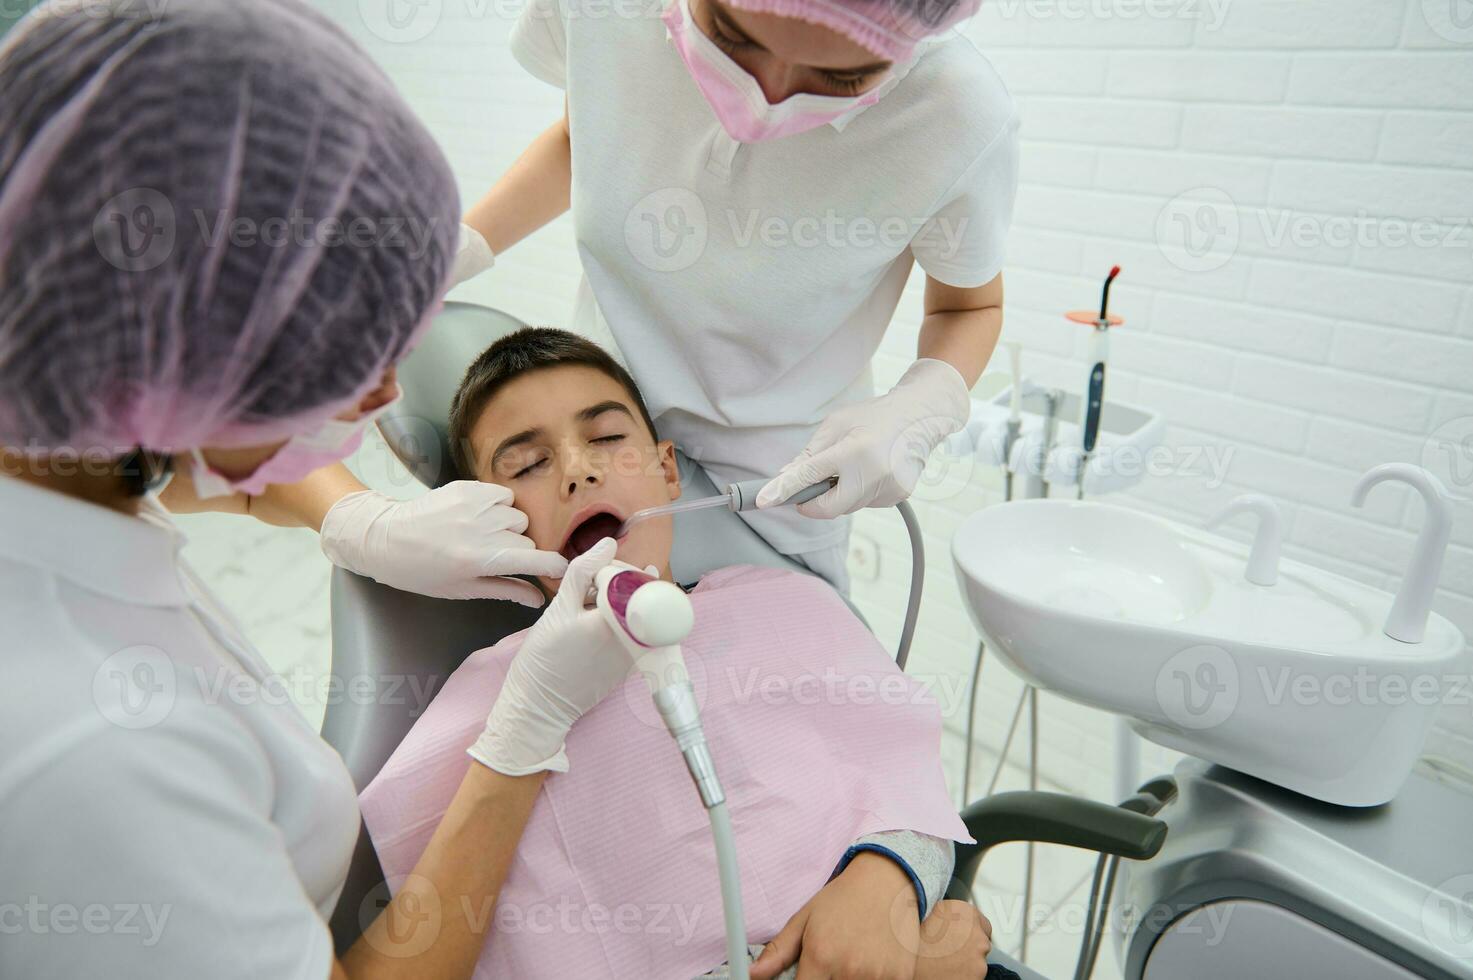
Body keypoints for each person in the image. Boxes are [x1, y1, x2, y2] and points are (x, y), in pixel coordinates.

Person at [0, 2, 643, 976]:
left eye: (607, 433)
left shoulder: (60, 435)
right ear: (179, 360)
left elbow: (169, 476)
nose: (388, 391)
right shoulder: (91, 754)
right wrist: (524, 731)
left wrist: (352, 514)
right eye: (353, 356)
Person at [358, 326, 1000, 979]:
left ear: (668, 471)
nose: (579, 469)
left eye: (606, 438)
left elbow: (907, 784)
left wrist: (891, 876)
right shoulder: (492, 710)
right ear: (494, 523)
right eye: (527, 465)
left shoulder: (787, 606)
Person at [452, 0, 1020, 594]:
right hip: (614, 410)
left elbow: (969, 305)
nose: (764, 102)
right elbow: (580, 137)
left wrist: (922, 405)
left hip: (780, 494)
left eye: (839, 80)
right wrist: (461, 246)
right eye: (730, 37)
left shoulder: (958, 115)